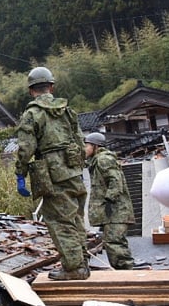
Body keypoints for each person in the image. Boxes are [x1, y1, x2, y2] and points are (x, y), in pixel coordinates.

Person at [14, 67, 90, 280]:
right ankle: (81, 262)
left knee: (59, 221)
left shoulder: (32, 114)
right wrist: (76, 166)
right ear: (51, 87)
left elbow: (25, 148)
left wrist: (20, 173)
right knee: (75, 218)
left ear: (31, 90)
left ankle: (74, 268)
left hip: (52, 174)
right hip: (74, 171)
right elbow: (80, 142)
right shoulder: (68, 111)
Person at [84, 132, 135, 270]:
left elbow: (115, 180)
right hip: (113, 210)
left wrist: (109, 200)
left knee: (115, 242)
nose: (84, 149)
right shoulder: (98, 160)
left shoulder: (103, 159)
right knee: (112, 242)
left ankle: (126, 273)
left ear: (95, 146)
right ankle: (123, 272)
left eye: (87, 145)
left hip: (115, 210)